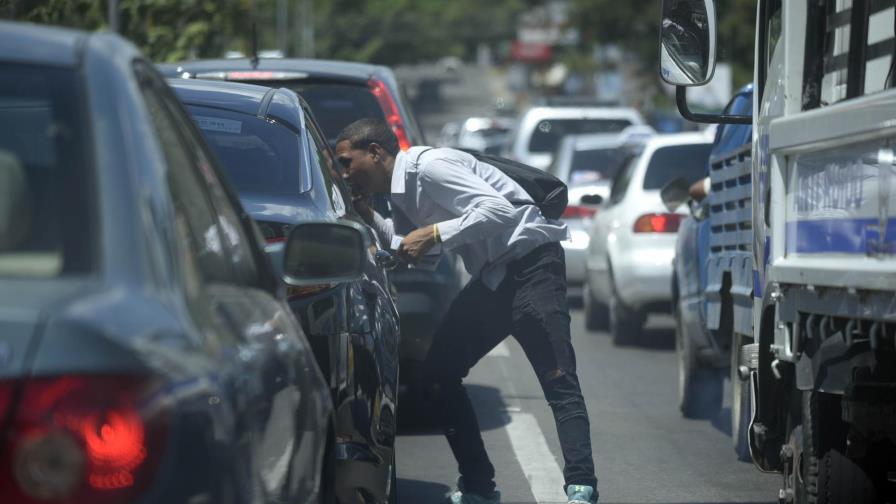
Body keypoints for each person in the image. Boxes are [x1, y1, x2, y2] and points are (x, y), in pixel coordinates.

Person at [335, 119, 599, 504]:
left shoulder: (430, 167)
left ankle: (581, 488)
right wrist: (366, 214)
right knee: (438, 374)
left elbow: (498, 211)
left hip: (533, 267)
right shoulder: (402, 192)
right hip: (494, 280)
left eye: (347, 162)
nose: (344, 173)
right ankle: (478, 486)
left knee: (558, 380)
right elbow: (407, 246)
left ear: (375, 153)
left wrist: (435, 233)